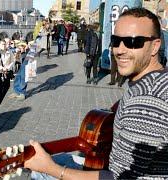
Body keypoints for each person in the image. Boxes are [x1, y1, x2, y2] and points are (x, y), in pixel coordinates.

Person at [25, 8, 168, 179]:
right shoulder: (159, 78)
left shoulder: (145, 102)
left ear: (155, 46)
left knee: (41, 173)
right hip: (113, 163)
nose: (119, 50)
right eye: (116, 40)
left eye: (132, 42)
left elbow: (119, 178)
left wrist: (52, 169)